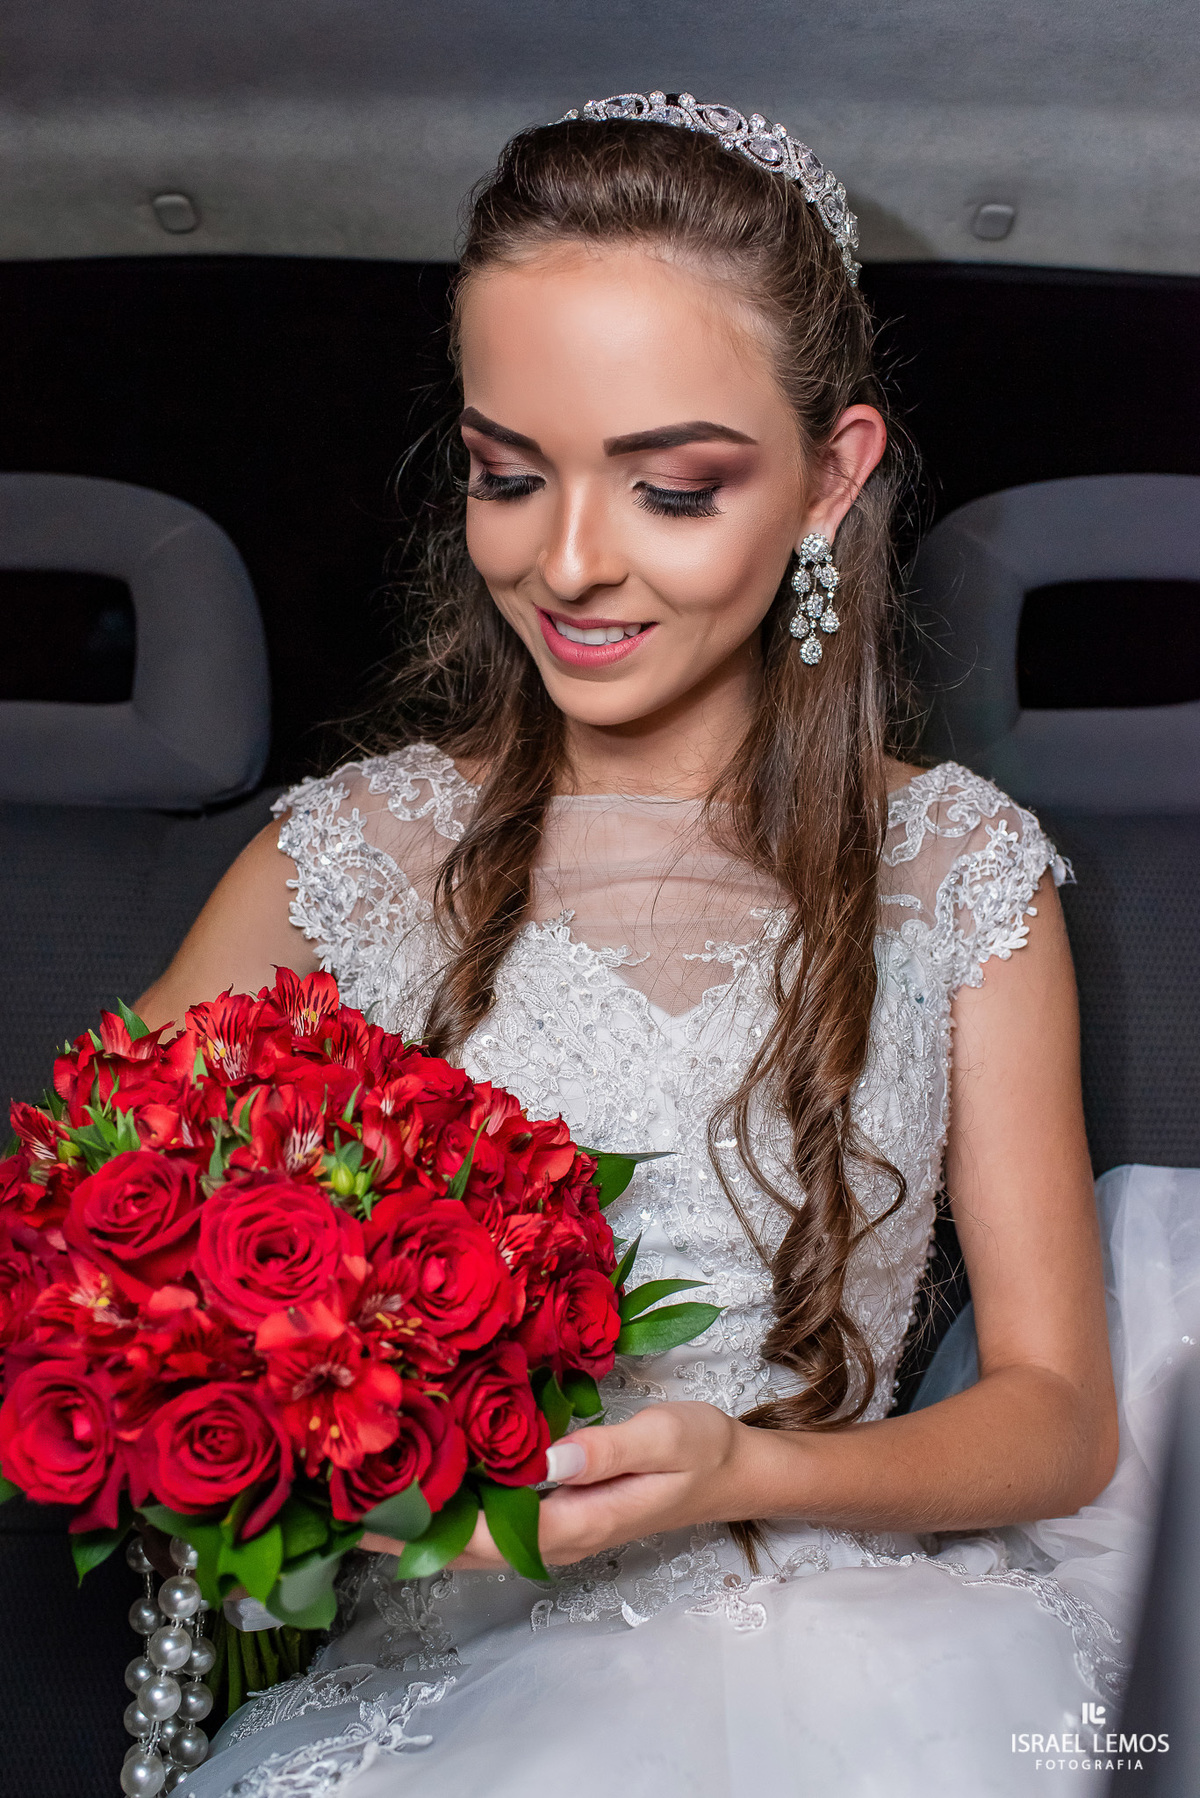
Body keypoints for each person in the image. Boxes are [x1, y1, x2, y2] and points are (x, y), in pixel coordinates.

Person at [141, 94, 1183, 1797]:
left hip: (852, 1645)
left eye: (673, 487)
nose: (565, 562)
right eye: (506, 472)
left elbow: (1057, 1419)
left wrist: (739, 1475)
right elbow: (105, 1302)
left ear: (832, 477)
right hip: (447, 1676)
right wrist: (340, 1464)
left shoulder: (958, 872)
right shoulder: (343, 860)